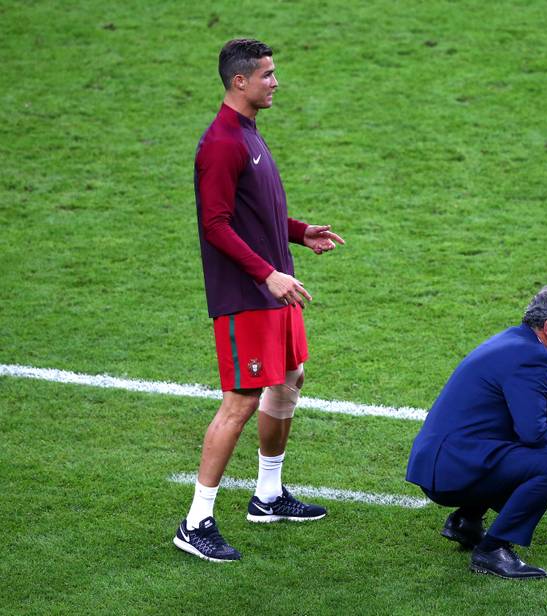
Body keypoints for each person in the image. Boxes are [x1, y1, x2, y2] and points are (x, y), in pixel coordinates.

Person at [174, 38, 345, 563]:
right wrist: (267, 273)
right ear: (239, 81)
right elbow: (216, 226)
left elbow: (257, 212)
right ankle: (195, 519)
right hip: (247, 294)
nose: (276, 81)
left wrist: (296, 232)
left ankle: (267, 496)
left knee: (290, 377)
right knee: (242, 399)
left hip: (272, 286)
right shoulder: (222, 143)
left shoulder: (249, 133)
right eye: (267, 74)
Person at [406, 286, 547, 579]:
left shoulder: (517, 341)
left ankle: (467, 520)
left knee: (532, 452)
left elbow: (526, 421)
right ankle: (493, 549)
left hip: (445, 460)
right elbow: (532, 433)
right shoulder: (534, 358)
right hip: (453, 466)